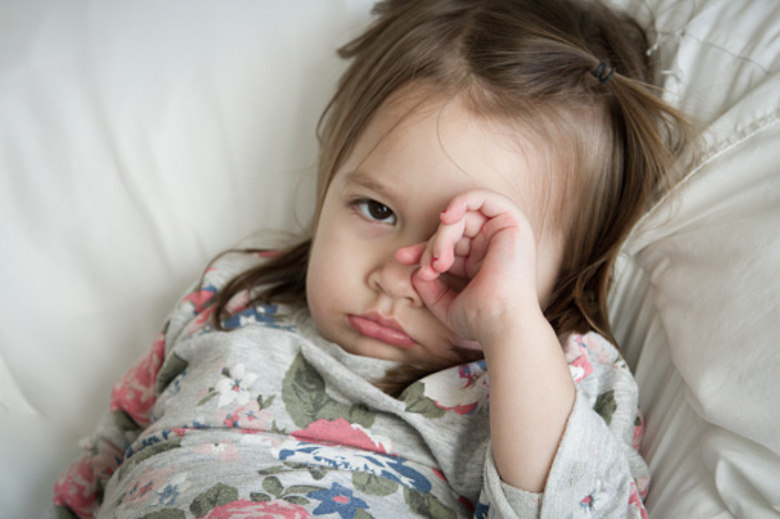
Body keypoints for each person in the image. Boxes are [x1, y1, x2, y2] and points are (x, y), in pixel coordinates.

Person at [52, 0, 691, 517]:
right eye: (376, 210)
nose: (396, 277)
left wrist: (508, 324)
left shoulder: (556, 379)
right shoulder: (234, 296)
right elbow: (114, 451)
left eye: (470, 249)